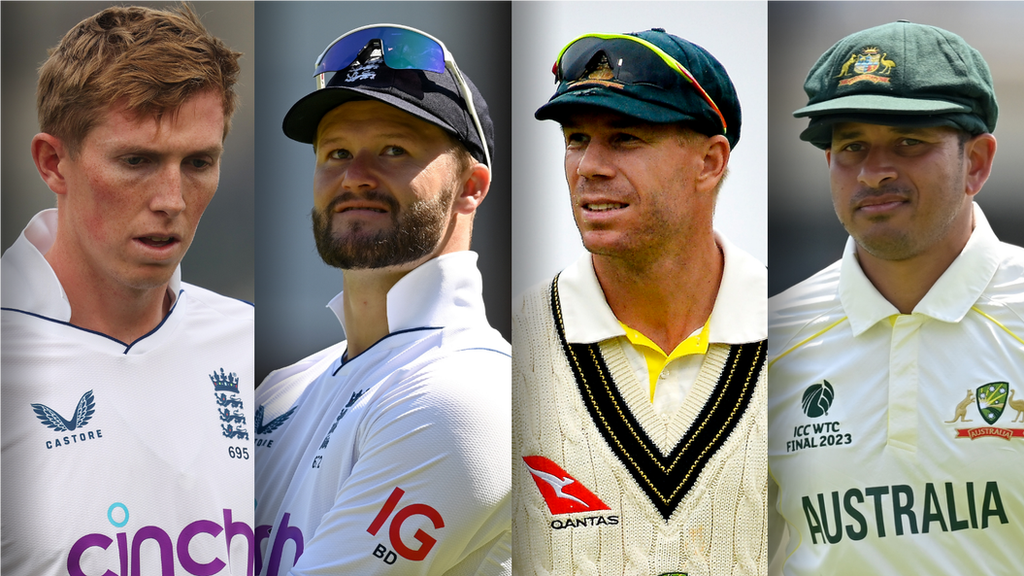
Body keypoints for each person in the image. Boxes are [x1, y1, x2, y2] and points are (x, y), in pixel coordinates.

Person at [0, 5, 252, 576]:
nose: (172, 198)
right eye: (136, 160)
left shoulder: (255, 352)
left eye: (198, 162)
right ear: (53, 162)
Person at [252, 24, 510, 576]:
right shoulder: (282, 389)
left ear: (472, 186)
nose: (355, 176)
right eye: (336, 151)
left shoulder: (466, 393)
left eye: (395, 149)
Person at [768, 21, 1024, 574]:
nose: (874, 172)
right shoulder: (765, 345)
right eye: (851, 146)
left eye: (909, 142)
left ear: (976, 162)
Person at [512, 28, 767, 575]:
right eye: (576, 139)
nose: (589, 166)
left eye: (625, 138)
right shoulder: (508, 349)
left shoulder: (811, 334)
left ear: (709, 162)